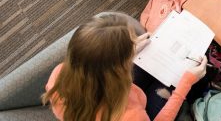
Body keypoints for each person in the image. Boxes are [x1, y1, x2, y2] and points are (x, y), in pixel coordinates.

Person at [43, 13, 207, 121]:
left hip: (116, 96)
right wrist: (185, 84)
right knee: (179, 79)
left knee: (154, 61)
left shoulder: (59, 73)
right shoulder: (131, 116)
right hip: (136, 111)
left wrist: (129, 50)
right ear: (117, 70)